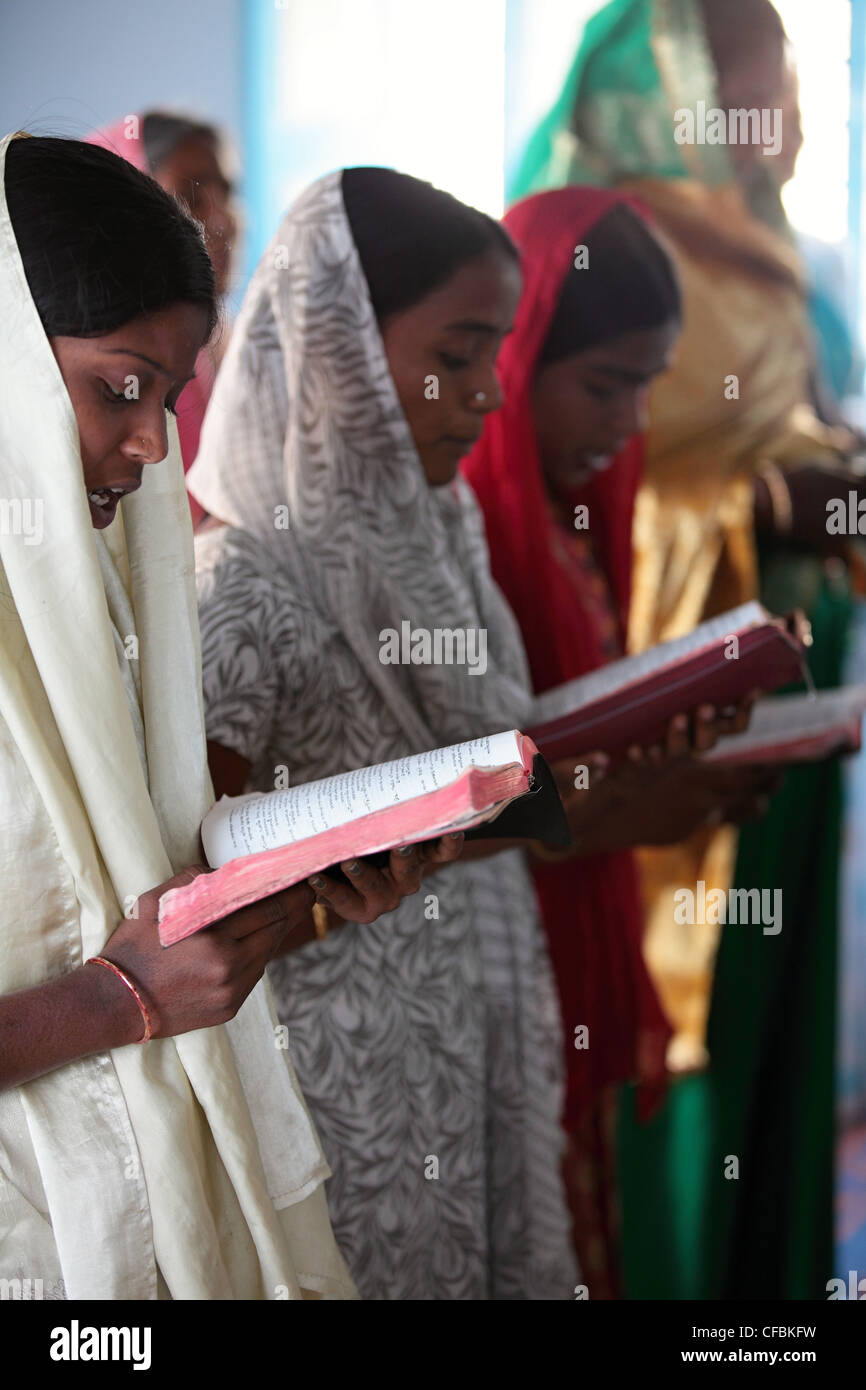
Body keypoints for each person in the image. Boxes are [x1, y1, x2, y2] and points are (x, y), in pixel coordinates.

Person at [0, 134, 453, 1299]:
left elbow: (106, 888)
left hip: (129, 1215)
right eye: (118, 388)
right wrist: (114, 1000)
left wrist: (284, 882)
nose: (153, 446)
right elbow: (110, 961)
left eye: (167, 398)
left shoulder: (76, 589)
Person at [513, 0, 859, 1298]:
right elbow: (595, 479)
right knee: (684, 1008)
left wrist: (832, 487)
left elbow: (805, 427)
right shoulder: (622, 244)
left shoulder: (765, 237)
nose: (779, 97)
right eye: (748, 65)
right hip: (679, 662)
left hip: (801, 661)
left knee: (774, 1002)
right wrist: (773, 507)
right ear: (670, 80)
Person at [189, 167, 583, 1300]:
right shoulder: (242, 583)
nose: (489, 396)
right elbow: (193, 903)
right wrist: (326, 890)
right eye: (454, 356)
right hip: (347, 1082)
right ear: (335, 348)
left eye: (493, 355)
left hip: (482, 1029)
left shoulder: (441, 538)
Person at [463, 185, 769, 1296]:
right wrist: (634, 804)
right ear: (519, 348)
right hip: (497, 957)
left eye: (649, 386)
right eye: (603, 385)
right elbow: (476, 795)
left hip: (572, 922)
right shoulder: (474, 529)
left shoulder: (570, 515)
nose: (629, 423)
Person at [89, 111, 238, 518]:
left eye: (225, 193)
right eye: (190, 198)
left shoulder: (222, 349)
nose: (224, 219)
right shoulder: (96, 361)